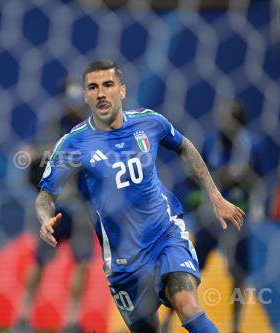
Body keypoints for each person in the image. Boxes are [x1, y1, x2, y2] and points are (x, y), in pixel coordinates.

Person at [36, 60, 244, 333]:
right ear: (86, 95)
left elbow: (184, 147)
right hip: (124, 261)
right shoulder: (73, 143)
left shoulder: (150, 122)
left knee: (187, 303)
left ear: (121, 90)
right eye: (93, 87)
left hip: (164, 236)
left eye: (108, 85)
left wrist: (215, 196)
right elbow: (45, 195)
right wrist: (44, 219)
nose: (101, 93)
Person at [161, 100, 257, 333]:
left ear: (240, 123)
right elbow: (196, 174)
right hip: (210, 218)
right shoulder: (210, 142)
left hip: (238, 218)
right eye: (222, 118)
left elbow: (259, 181)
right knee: (189, 269)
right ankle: (166, 323)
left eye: (230, 119)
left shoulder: (253, 147)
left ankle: (235, 327)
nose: (225, 124)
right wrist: (197, 196)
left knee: (239, 275)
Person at [15, 77, 94, 333]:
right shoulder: (48, 122)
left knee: (82, 262)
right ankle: (24, 316)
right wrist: (52, 152)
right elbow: (24, 154)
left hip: (80, 205)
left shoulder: (92, 126)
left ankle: (72, 321)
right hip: (54, 203)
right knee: (40, 259)